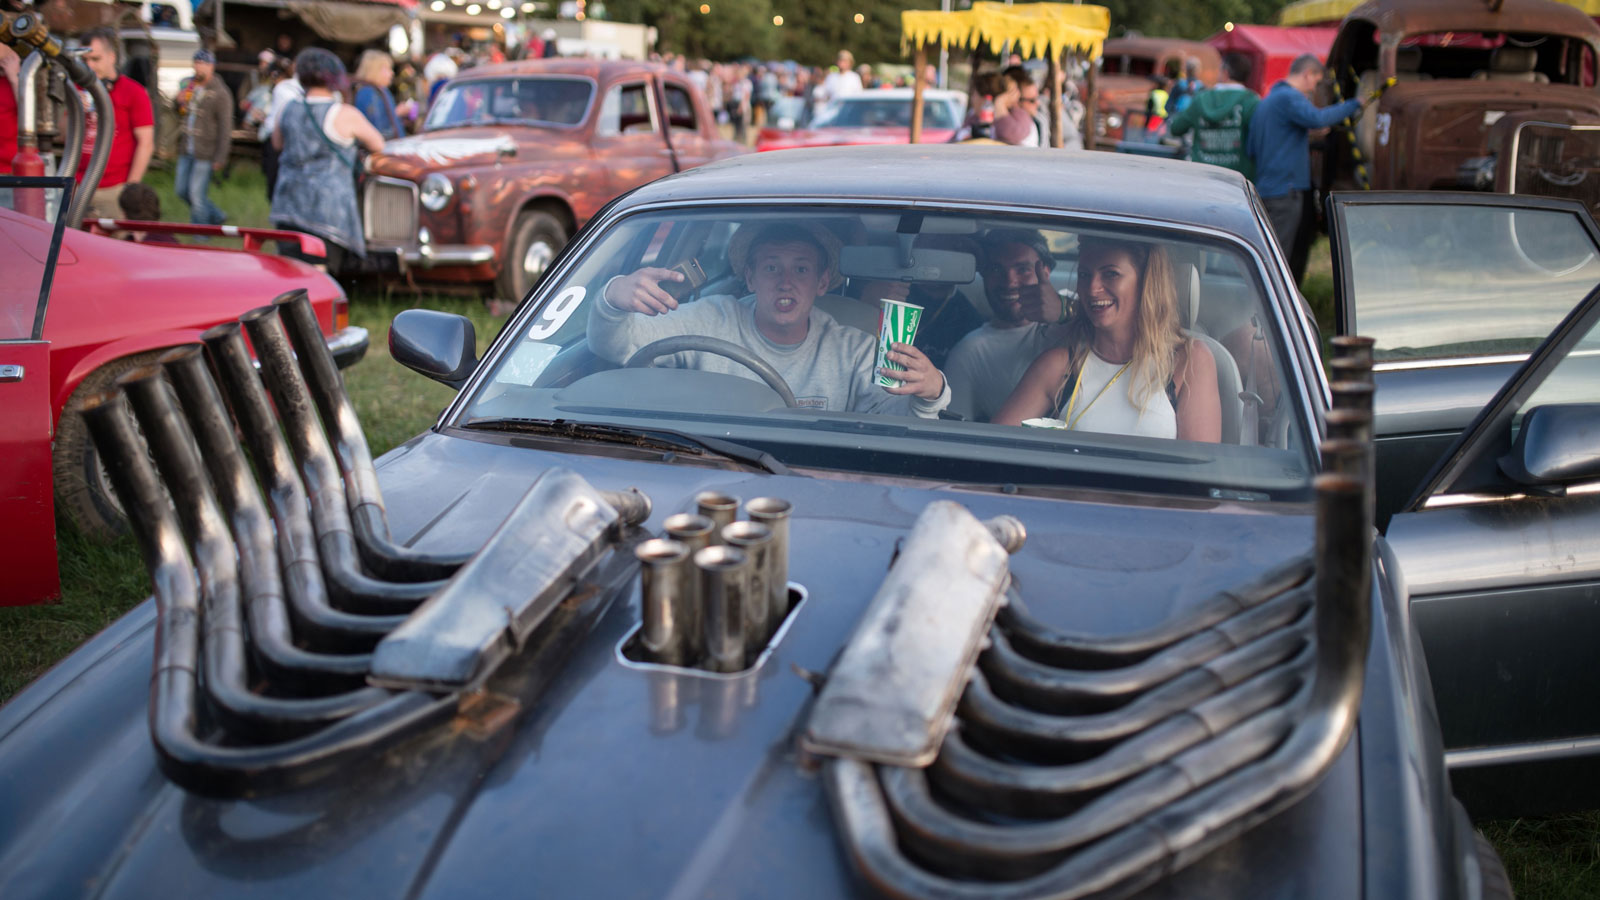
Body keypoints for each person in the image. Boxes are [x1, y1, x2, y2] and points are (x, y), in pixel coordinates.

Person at [587, 222, 951, 417]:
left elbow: (893, 422)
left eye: (802, 269)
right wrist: (613, 297)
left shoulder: (853, 349)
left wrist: (931, 391)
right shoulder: (711, 317)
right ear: (750, 277)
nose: (786, 281)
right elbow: (619, 344)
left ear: (823, 282)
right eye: (772, 267)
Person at [994, 238, 1221, 442]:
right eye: (1084, 275)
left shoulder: (1188, 360)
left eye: (1110, 273)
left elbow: (1199, 475)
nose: (1092, 289)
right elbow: (993, 449)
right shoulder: (1057, 366)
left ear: (1146, 281)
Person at [1246, 54, 1366, 284]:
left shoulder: (1267, 102)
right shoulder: (1289, 98)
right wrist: (1354, 104)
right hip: (1286, 191)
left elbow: (1253, 149)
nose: (1314, 88)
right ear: (1307, 74)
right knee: (1277, 259)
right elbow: (1318, 118)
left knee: (1268, 250)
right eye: (1316, 81)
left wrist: (1303, 140)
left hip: (1267, 189)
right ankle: (1273, 312)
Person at [270, 47, 385, 273]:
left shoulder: (288, 108)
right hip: (326, 211)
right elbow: (378, 144)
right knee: (319, 278)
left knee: (290, 273)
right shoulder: (344, 114)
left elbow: (277, 144)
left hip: (288, 204)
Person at [943, 230, 1070, 422]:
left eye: (1022, 269)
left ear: (1045, 272)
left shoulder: (1078, 313)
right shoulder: (971, 351)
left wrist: (1065, 311)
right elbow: (954, 433)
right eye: (996, 270)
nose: (1010, 282)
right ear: (983, 276)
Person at [75, 27, 155, 220]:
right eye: (85, 61)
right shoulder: (78, 89)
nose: (90, 66)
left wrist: (131, 187)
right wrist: (75, 109)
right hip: (79, 183)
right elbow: (64, 136)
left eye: (95, 59)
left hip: (115, 186)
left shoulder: (132, 91)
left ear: (111, 57)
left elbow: (146, 142)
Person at [1168, 58, 1259, 178]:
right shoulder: (1252, 102)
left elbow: (1176, 128)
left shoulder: (1201, 98)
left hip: (1202, 177)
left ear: (1226, 73)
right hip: (1237, 182)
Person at [173, 49, 232, 227]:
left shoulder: (220, 93)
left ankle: (200, 235)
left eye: (203, 64)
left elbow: (225, 127)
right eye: (196, 63)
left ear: (211, 67)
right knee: (181, 190)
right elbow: (179, 114)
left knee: (197, 195)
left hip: (206, 150)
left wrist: (221, 156)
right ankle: (217, 215)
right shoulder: (188, 86)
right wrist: (178, 102)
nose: (198, 68)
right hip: (187, 148)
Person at [257, 57, 301, 200]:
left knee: (274, 183)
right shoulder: (301, 88)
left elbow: (277, 119)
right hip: (297, 141)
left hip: (279, 141)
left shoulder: (282, 89)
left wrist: (265, 122)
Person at [352, 50, 403, 140]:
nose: (392, 73)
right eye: (388, 69)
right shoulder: (370, 93)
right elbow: (379, 131)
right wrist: (397, 113)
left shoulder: (379, 90)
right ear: (375, 70)